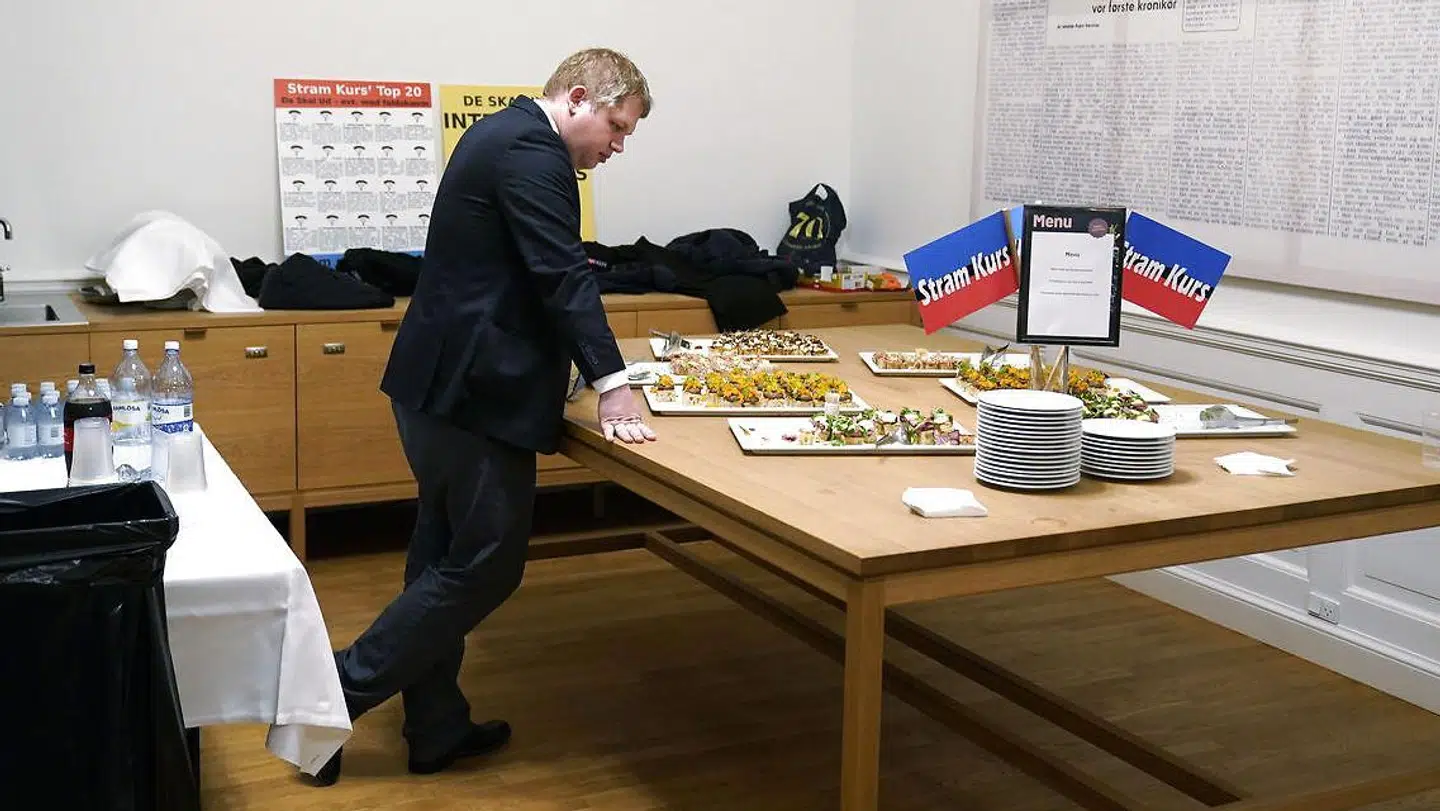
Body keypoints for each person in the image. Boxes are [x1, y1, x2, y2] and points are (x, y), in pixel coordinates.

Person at [313, 47, 657, 786]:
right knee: (486, 565)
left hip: (441, 387)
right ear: (577, 98)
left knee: (440, 557)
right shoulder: (533, 153)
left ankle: (436, 726)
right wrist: (613, 382)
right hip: (471, 397)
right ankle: (329, 696)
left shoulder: (503, 134)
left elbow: (519, 275)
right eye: (617, 127)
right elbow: (560, 276)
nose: (618, 147)